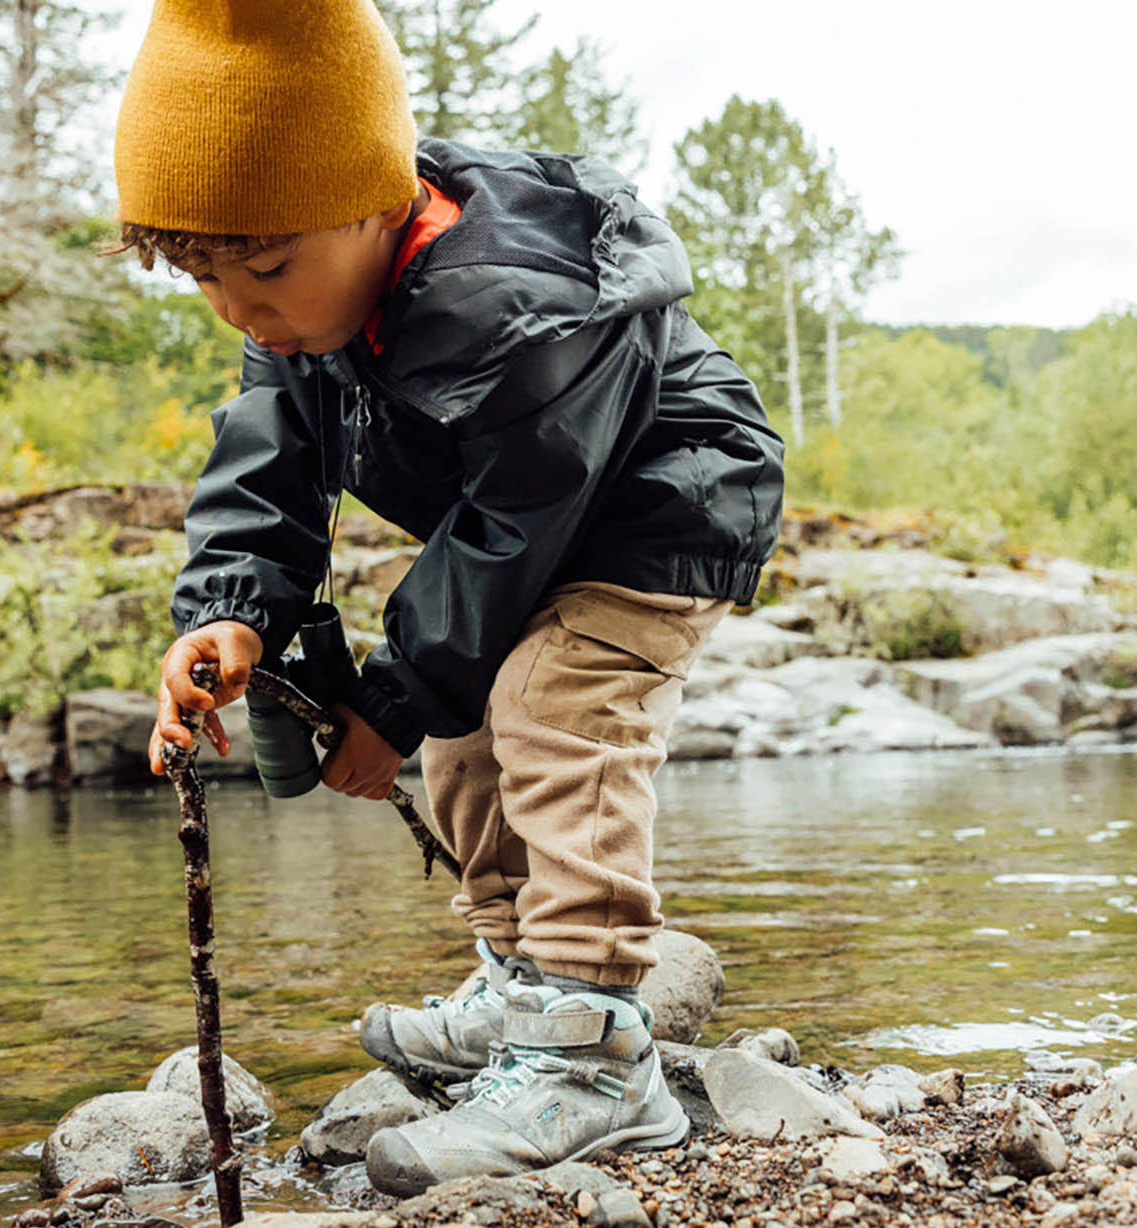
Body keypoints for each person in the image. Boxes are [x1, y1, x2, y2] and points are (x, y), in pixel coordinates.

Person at [113, 0, 783, 1196]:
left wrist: (391, 699)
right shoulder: (306, 295)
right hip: (521, 529)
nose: (241, 310)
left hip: (659, 503)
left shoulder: (517, 307)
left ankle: (593, 1060)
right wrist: (228, 613)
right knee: (473, 732)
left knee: (552, 705)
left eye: (263, 270)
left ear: (378, 197)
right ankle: (525, 983)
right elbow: (270, 459)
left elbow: (507, 535)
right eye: (207, 277)